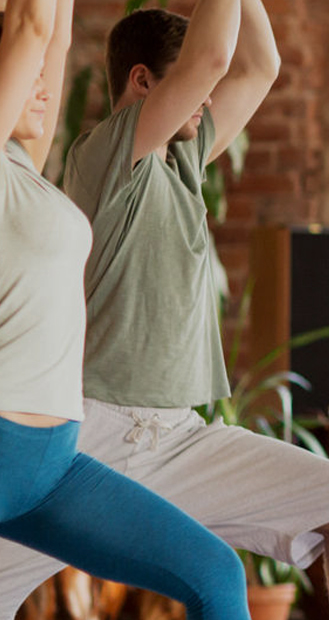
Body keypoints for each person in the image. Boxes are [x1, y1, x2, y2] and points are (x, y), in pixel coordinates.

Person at [0, 2, 329, 618]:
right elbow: (212, 61)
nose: (207, 100)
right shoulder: (108, 156)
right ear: (142, 83)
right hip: (93, 432)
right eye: (193, 89)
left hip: (178, 435)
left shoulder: (183, 164)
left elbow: (258, 66)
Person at [0, 0, 247, 616]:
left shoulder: (23, 170)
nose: (43, 85)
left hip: (49, 467)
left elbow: (49, 36)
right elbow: (31, 26)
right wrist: (32, 28)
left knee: (216, 575)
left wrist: (52, 26)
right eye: (24, 72)